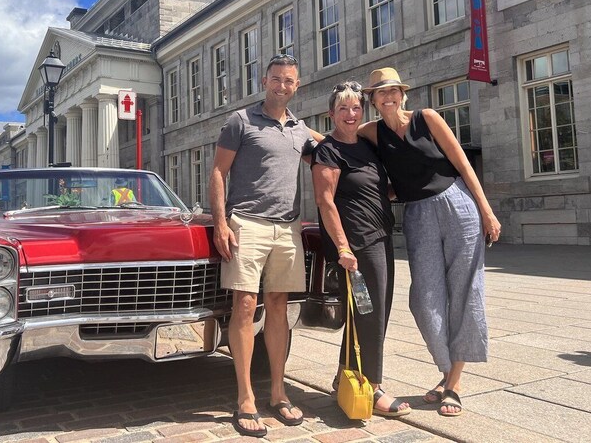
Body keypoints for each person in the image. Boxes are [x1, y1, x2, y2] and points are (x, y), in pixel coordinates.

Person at [359, 67, 501, 417]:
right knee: (424, 300)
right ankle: (445, 371)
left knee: (465, 290)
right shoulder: (370, 132)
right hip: (418, 216)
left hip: (458, 204)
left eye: (393, 90)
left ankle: (452, 384)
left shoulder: (428, 118)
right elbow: (337, 140)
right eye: (381, 93)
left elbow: (462, 163)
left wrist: (486, 210)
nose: (388, 96)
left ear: (402, 94)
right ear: (373, 101)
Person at [209, 54, 320, 438]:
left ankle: (277, 391)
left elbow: (337, 150)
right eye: (276, 79)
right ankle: (244, 397)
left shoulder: (301, 130)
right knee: (243, 305)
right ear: (264, 80)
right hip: (248, 225)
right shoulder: (241, 121)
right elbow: (219, 173)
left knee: (277, 307)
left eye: (289, 81)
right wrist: (221, 223)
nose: (282, 86)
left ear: (297, 84)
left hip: (288, 228)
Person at [311, 81, 410, 417]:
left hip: (380, 237)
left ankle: (345, 378)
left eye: (356, 108)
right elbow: (325, 203)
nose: (351, 114)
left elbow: (381, 189)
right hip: (356, 245)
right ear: (331, 113)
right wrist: (342, 247)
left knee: (369, 312)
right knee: (371, 314)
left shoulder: (368, 147)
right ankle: (374, 385)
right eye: (343, 108)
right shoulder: (328, 150)